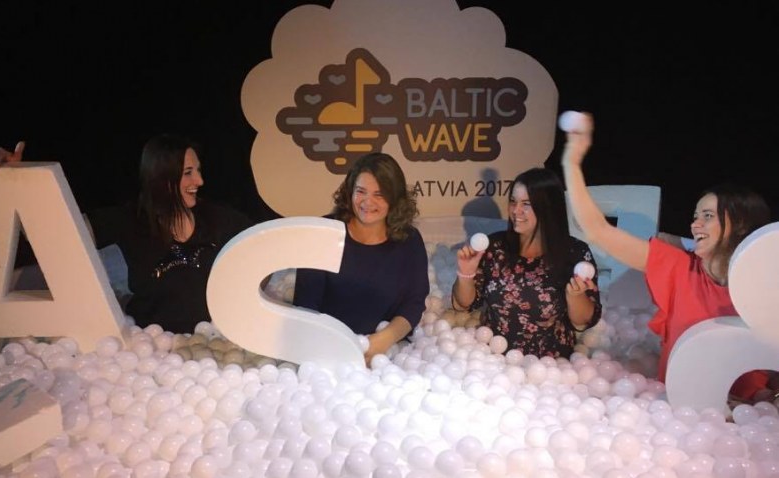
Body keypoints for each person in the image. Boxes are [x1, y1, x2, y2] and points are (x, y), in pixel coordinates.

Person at [560, 112, 773, 401]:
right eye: (695, 216)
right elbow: (598, 230)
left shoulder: (763, 286)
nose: (695, 224)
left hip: (751, 415)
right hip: (676, 413)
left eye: (708, 216)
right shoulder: (680, 269)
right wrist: (571, 163)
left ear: (741, 225)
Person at [0, 134, 256, 335]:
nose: (200, 181)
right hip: (150, 352)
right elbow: (53, 234)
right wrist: (15, 179)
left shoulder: (217, 218)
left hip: (208, 347)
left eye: (199, 171)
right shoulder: (129, 219)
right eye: (188, 173)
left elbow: (264, 243)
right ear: (160, 176)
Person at [293, 152, 430, 366]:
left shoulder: (409, 240)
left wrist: (385, 339)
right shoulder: (323, 234)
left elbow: (414, 302)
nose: (368, 202)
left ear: (395, 198)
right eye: (361, 191)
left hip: (391, 356)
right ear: (350, 192)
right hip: (327, 352)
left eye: (379, 194)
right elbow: (306, 306)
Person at [451, 167, 602, 358]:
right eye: (513, 201)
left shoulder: (574, 253)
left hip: (551, 365)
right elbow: (464, 304)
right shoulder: (495, 247)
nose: (516, 210)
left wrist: (576, 296)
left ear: (548, 207)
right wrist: (466, 273)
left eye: (526, 204)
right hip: (493, 359)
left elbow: (583, 321)